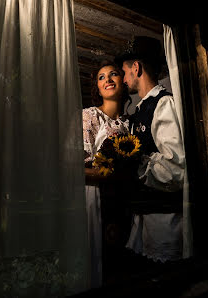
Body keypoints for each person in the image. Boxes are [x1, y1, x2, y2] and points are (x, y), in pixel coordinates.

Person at [115, 36, 186, 264]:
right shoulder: (140, 109)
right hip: (144, 214)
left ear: (136, 68)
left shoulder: (164, 104)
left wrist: (136, 162)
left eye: (124, 72)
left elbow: (175, 170)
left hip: (164, 220)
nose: (123, 79)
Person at [82, 60, 131, 288]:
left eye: (113, 75)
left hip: (124, 200)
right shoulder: (89, 116)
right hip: (94, 197)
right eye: (102, 77)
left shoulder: (130, 123)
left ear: (124, 81)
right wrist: (109, 174)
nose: (108, 80)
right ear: (97, 88)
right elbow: (73, 168)